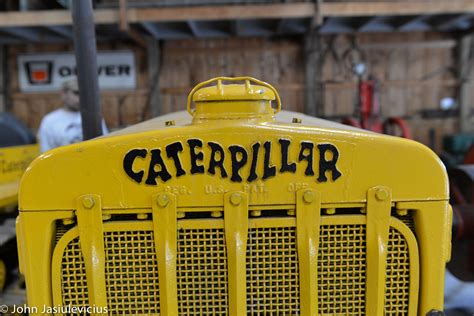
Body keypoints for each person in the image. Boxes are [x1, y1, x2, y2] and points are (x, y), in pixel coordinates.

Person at [37, 79, 108, 152]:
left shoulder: (95, 116)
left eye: (84, 94)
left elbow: (104, 146)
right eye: (76, 93)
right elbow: (45, 153)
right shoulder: (49, 120)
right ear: (64, 94)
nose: (81, 97)